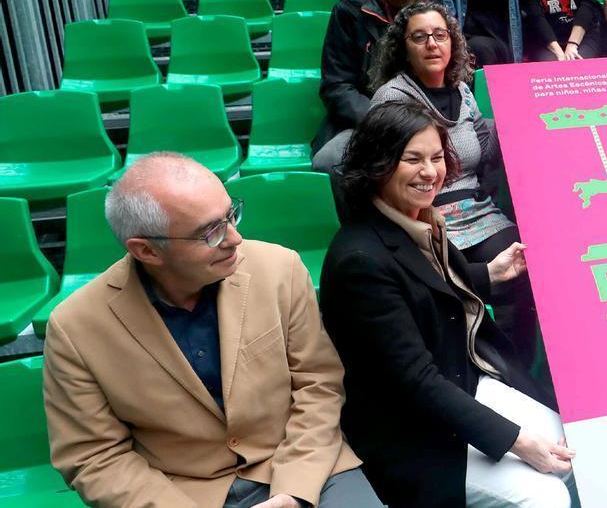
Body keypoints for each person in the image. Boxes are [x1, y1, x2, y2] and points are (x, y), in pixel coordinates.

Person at [42, 152, 380, 508]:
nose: (235, 238)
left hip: (306, 468)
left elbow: (319, 385)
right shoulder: (75, 328)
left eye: (230, 215)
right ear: (146, 250)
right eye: (211, 232)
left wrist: (292, 491)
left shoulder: (280, 268)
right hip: (177, 494)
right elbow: (94, 457)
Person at [319, 102, 576, 508]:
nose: (430, 172)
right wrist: (517, 442)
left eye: (437, 157)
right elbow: (415, 382)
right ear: (378, 163)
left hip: (460, 381)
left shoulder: (419, 218)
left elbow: (424, 289)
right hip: (410, 430)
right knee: (544, 496)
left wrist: (488, 274)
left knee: (572, 447)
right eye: (413, 159)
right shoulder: (360, 262)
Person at [367, 1, 538, 361]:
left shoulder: (461, 89)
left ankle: (517, 363)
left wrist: (520, 122)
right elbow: (384, 172)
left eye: (440, 35)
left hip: (478, 211)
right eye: (420, 37)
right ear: (404, 48)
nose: (432, 43)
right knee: (452, 282)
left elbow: (485, 148)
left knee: (532, 265)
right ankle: (469, 363)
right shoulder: (392, 98)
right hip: (424, 218)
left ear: (451, 42)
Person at [313, 0, 431, 173]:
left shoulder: (434, 7)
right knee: (329, 162)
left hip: (426, 118)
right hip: (368, 121)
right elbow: (337, 86)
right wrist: (383, 121)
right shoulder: (350, 11)